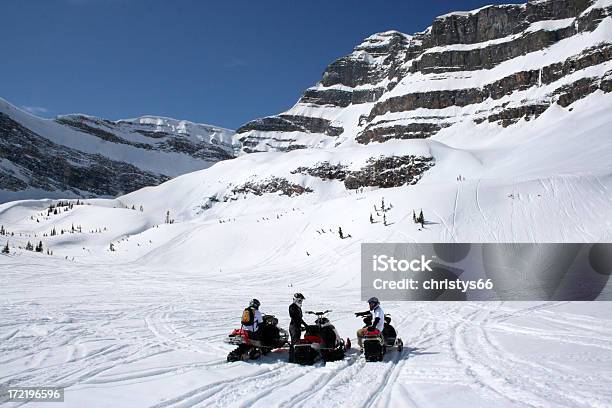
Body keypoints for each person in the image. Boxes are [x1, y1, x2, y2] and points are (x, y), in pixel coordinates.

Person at [288, 293, 307, 362]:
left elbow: (300, 318)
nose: (301, 302)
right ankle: (291, 359)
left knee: (297, 342)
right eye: (299, 300)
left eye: (301, 301)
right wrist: (299, 326)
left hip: (297, 326)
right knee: (294, 343)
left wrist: (305, 325)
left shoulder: (298, 308)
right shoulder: (292, 307)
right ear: (295, 300)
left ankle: (296, 357)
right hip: (294, 327)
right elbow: (294, 317)